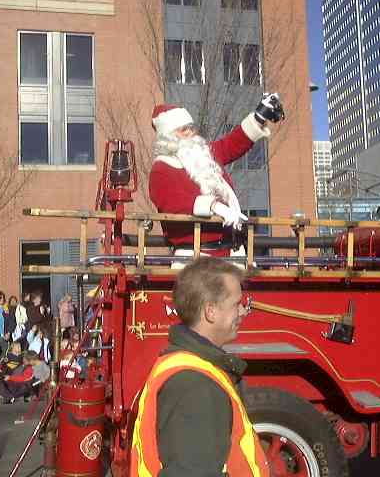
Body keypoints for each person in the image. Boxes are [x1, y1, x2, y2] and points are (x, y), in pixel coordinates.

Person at [131, 257, 269, 476]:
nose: (243, 312)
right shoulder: (195, 386)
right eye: (236, 304)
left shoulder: (186, 365)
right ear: (210, 311)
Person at [149, 93, 283, 259]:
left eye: (191, 127)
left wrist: (259, 116)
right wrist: (214, 206)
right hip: (196, 258)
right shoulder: (162, 168)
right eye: (184, 129)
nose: (191, 132)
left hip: (231, 253)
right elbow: (173, 203)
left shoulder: (204, 154)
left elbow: (232, 144)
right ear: (168, 137)